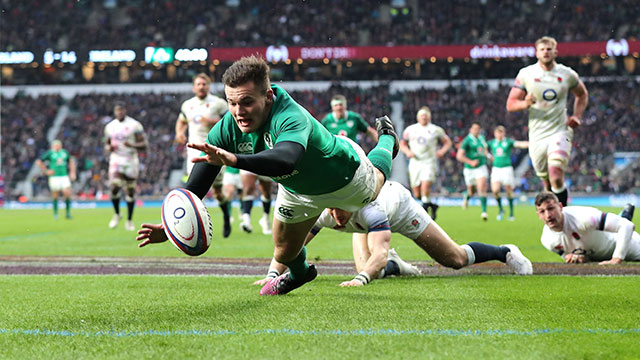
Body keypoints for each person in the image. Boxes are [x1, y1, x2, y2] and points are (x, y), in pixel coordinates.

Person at [136, 55, 399, 296]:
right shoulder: (226, 128)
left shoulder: (291, 115)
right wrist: (173, 225)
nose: (239, 111)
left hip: (342, 177)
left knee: (376, 182)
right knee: (284, 250)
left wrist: (235, 160)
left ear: (268, 96)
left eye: (247, 102)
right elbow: (199, 181)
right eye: (232, 103)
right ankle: (301, 273)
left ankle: (387, 139)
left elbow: (286, 159)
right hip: (297, 188)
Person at [254, 181, 533, 287]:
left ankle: (505, 251)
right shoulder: (324, 211)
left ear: (350, 205)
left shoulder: (371, 210)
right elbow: (289, 247)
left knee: (454, 259)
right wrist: (271, 276)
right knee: (368, 266)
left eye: (341, 213)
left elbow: (380, 250)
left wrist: (360, 280)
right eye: (332, 212)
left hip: (400, 209)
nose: (336, 219)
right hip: (363, 220)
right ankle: (396, 267)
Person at [506, 36, 589, 207]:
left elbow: (582, 94)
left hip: (560, 130)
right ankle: (554, 216)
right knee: (547, 183)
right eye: (542, 49)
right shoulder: (526, 74)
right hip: (537, 135)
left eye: (549, 49)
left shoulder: (567, 74)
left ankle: (564, 216)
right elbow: (510, 104)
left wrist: (577, 116)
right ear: (536, 53)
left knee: (556, 175)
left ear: (555, 52)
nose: (546, 52)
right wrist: (525, 103)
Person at [175, 73, 233, 238]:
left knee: (217, 192)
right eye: (198, 84)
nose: (201, 87)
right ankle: (194, 229)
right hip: (194, 152)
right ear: (194, 87)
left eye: (204, 84)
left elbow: (232, 121)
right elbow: (182, 120)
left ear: (209, 86)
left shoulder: (219, 104)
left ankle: (226, 216)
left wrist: (213, 122)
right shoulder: (188, 105)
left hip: (215, 150)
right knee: (193, 191)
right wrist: (179, 133)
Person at [535, 192, 639, 264]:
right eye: (542, 211)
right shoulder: (547, 240)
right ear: (538, 214)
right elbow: (571, 255)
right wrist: (577, 257)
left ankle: (624, 216)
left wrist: (617, 258)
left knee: (623, 223)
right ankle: (624, 215)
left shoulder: (584, 218)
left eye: (551, 208)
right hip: (597, 254)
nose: (548, 215)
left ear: (561, 206)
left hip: (626, 246)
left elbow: (627, 226)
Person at [400, 106, 452, 220]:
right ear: (418, 117)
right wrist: (407, 152)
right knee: (417, 193)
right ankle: (432, 206)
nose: (424, 117)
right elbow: (402, 143)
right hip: (415, 162)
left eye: (426, 115)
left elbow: (447, 142)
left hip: (429, 162)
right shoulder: (410, 129)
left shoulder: (435, 129)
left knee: (425, 186)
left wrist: (442, 151)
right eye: (421, 115)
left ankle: (423, 217)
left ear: (429, 117)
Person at [104, 102, 147, 231]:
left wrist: (132, 145)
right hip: (116, 159)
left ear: (125, 110)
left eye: (121, 110)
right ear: (114, 112)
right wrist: (109, 147)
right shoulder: (109, 127)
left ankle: (129, 220)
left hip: (131, 160)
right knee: (114, 187)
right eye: (117, 110)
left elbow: (144, 145)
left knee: (130, 191)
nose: (119, 113)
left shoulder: (134, 125)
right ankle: (117, 214)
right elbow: (106, 145)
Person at [487, 125, 528, 221]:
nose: (499, 134)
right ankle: (501, 209)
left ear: (504, 133)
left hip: (507, 169)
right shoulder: (492, 143)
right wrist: (489, 156)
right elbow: (482, 147)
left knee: (508, 191)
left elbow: (519, 144)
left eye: (501, 132)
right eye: (498, 132)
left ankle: (511, 213)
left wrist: (529, 144)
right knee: (495, 191)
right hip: (496, 169)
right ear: (495, 134)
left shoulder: (508, 142)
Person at [456, 122, 490, 221]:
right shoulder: (467, 140)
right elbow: (459, 156)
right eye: (474, 128)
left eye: (478, 129)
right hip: (469, 169)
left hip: (481, 167)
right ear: (470, 130)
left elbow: (484, 151)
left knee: (482, 187)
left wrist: (489, 156)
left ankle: (484, 212)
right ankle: (466, 197)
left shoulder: (482, 139)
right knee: (472, 191)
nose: (476, 130)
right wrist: (470, 162)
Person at [36, 139, 76, 219]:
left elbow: (71, 162)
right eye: (55, 145)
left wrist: (72, 172)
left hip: (64, 176)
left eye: (58, 145)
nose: (57, 146)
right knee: (55, 195)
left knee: (67, 193)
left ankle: (67, 213)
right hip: (54, 177)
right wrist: (46, 171)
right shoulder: (50, 153)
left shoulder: (64, 152)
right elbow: (39, 161)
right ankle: (56, 213)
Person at [238, 170, 274, 235]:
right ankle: (246, 221)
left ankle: (265, 219)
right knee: (248, 189)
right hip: (249, 161)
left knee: (266, 193)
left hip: (265, 163)